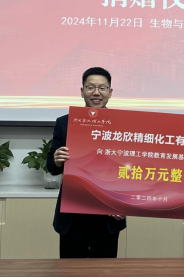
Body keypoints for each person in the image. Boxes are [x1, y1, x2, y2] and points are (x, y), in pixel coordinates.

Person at [47, 67, 126, 258]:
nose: (96, 93)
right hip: (73, 215)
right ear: (82, 91)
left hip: (108, 214)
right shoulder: (64, 123)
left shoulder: (123, 124)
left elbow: (131, 169)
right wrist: (57, 159)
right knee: (71, 270)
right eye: (90, 87)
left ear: (110, 92)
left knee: (105, 270)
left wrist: (124, 204)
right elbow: (51, 166)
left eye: (102, 88)